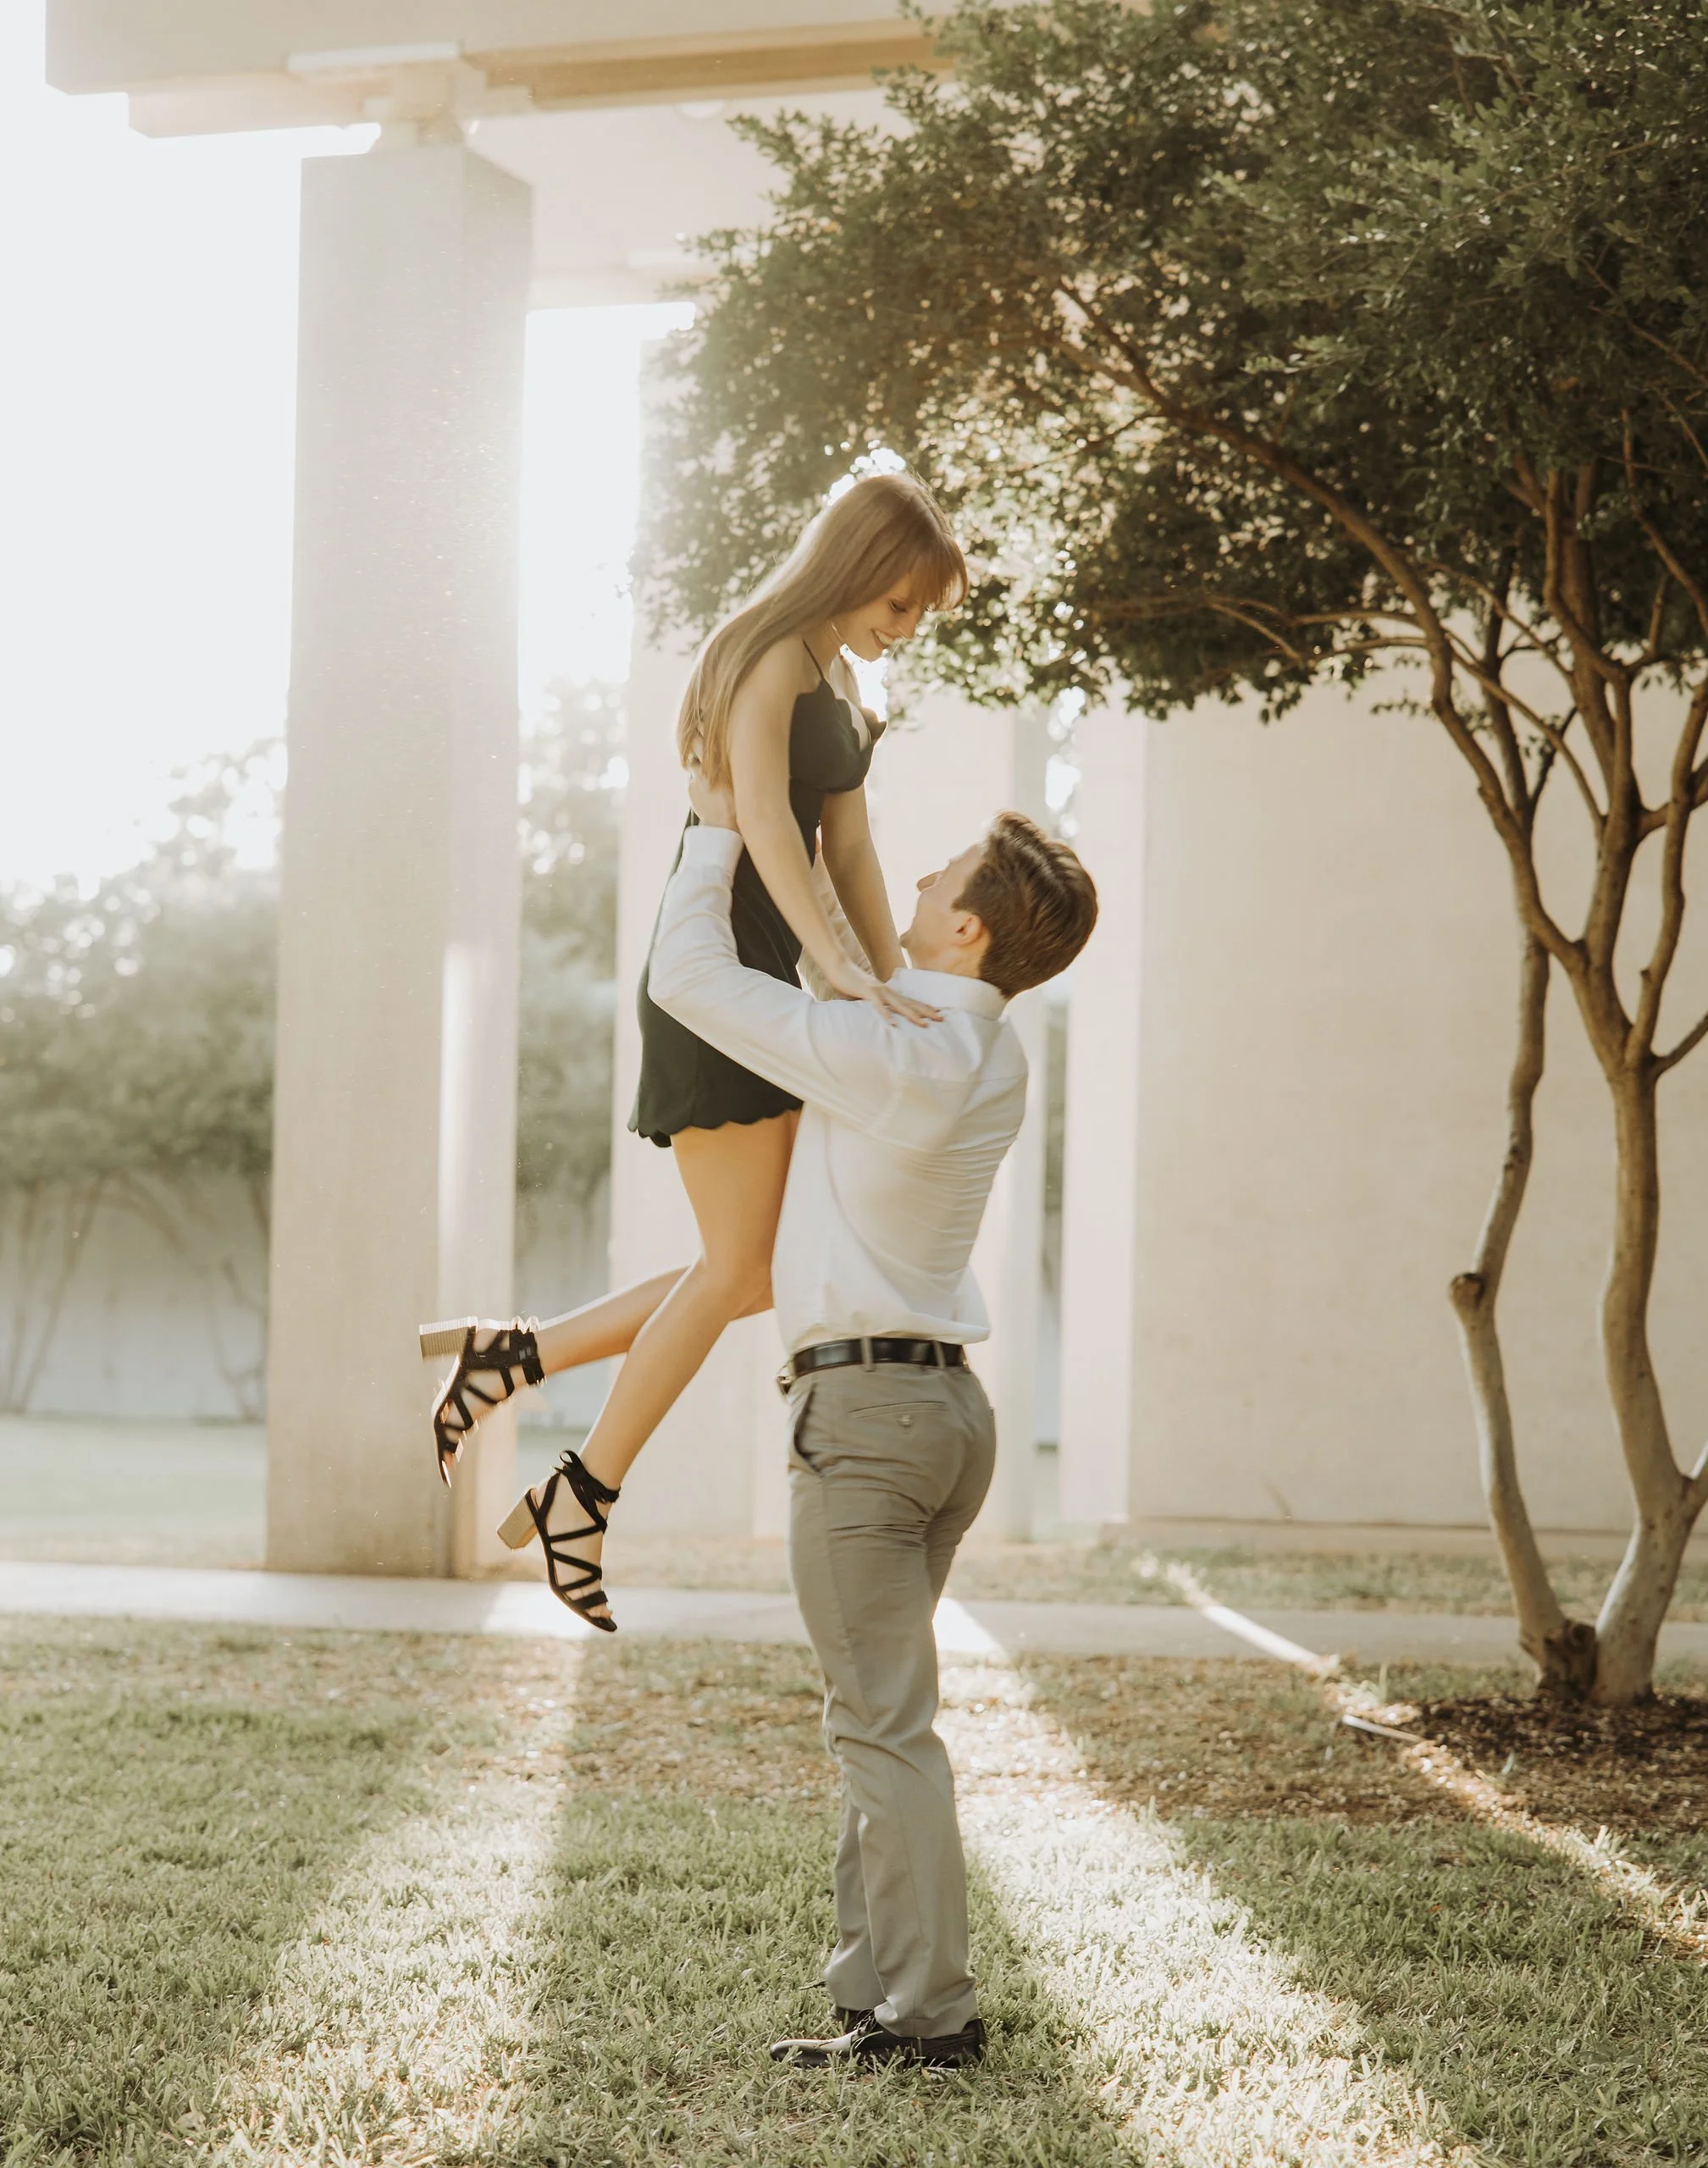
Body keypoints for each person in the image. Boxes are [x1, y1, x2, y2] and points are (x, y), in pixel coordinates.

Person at [417, 473, 967, 1629]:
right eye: (903, 602)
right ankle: (579, 1484)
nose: (904, 627)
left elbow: (853, 848)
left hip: (776, 975)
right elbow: (764, 822)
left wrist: (892, 977)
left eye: (919, 613)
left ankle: (514, 1365)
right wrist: (836, 969)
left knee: (753, 1268)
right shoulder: (764, 654)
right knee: (741, 1269)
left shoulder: (843, 679)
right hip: (720, 969)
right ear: (858, 562)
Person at [645, 769, 1097, 2070]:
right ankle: (871, 1987)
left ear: (968, 930)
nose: (907, 881)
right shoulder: (976, 1046)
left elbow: (690, 979)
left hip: (868, 1421)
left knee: (882, 1724)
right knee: (874, 1709)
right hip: (944, 1415)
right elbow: (849, 969)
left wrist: (717, 827)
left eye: (936, 874)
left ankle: (928, 2019)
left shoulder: (897, 1055)